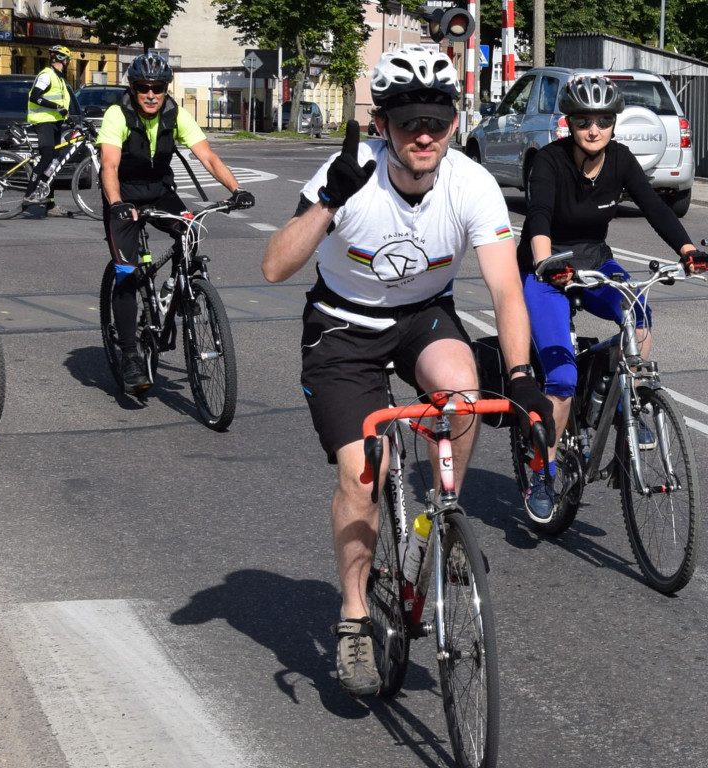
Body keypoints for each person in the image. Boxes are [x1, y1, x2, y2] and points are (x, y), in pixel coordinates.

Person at [261, 45, 553, 697]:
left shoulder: (470, 183)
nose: (423, 135)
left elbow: (507, 291)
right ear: (383, 124)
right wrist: (323, 205)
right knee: (365, 472)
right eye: (407, 122)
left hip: (424, 317)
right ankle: (356, 619)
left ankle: (439, 520)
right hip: (343, 327)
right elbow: (274, 268)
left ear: (455, 121)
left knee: (466, 396)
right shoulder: (349, 173)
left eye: (437, 121)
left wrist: (523, 374)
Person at [518, 74, 708, 520]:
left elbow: (655, 206)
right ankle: (542, 473)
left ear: (613, 123)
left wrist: (686, 250)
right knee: (561, 377)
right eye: (584, 120)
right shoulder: (549, 161)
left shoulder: (620, 159)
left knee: (638, 310)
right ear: (569, 122)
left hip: (596, 260)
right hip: (548, 267)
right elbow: (540, 215)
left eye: (603, 120)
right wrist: (546, 263)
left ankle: (631, 401)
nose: (594, 129)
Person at [97, 52, 255, 394]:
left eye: (158, 88)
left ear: (166, 90)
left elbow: (208, 156)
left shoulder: (175, 114)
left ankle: (177, 288)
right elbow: (108, 166)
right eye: (144, 88)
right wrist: (118, 205)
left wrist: (236, 189)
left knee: (191, 230)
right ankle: (129, 355)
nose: (151, 94)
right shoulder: (116, 114)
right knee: (126, 271)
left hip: (159, 192)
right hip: (122, 195)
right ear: (134, 89)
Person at [23, 44, 73, 217]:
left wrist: (67, 117)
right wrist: (56, 107)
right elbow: (35, 96)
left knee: (53, 164)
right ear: (62, 59)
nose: (68, 62)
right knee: (46, 159)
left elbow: (62, 103)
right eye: (67, 59)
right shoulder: (46, 75)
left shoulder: (59, 78)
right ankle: (29, 195)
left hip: (55, 123)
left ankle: (50, 204)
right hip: (44, 122)